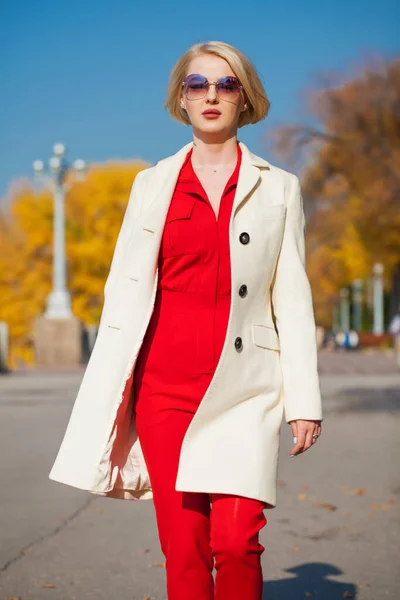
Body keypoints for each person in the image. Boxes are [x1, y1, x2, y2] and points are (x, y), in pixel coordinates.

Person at [49, 40, 323, 600]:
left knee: (237, 541)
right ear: (182, 97)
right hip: (165, 390)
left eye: (226, 85)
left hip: (247, 391)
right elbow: (123, 289)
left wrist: (305, 403)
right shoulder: (151, 185)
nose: (212, 96)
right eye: (198, 85)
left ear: (245, 98)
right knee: (186, 548)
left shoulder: (280, 187)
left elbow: (292, 298)